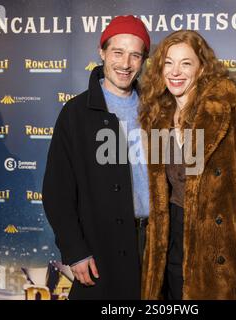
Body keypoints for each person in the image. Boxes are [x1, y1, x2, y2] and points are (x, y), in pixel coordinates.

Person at [139, 30, 236, 300]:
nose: (175, 71)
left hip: (225, 246)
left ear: (202, 67)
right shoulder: (158, 115)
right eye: (168, 63)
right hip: (172, 238)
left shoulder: (235, 110)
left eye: (186, 63)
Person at [42, 15, 151, 300]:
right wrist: (75, 252)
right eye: (117, 52)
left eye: (135, 55)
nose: (125, 64)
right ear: (102, 52)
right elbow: (57, 192)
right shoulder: (75, 113)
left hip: (154, 245)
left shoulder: (157, 110)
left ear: (143, 60)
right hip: (100, 248)